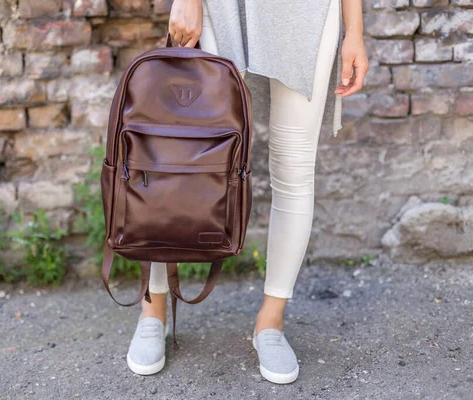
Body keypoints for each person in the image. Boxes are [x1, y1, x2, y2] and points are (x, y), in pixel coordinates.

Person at [125, 0, 369, 384]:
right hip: (221, 7)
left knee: (294, 170)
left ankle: (270, 323)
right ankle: (153, 309)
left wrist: (354, 30)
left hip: (306, 15)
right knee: (177, 159)